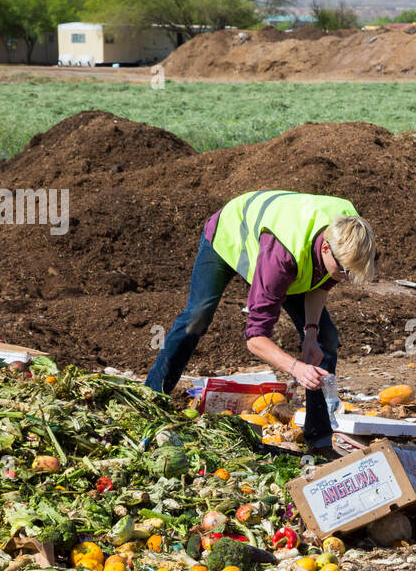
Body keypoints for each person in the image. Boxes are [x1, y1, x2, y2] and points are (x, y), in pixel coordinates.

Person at [146, 190, 376, 459]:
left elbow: (320, 283)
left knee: (326, 338)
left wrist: (311, 335)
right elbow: (255, 337)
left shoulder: (350, 236)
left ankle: (320, 440)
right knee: (198, 315)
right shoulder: (280, 258)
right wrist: (295, 367)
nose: (345, 279)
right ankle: (152, 397)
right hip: (230, 235)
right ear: (325, 249)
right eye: (344, 272)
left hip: (293, 252)